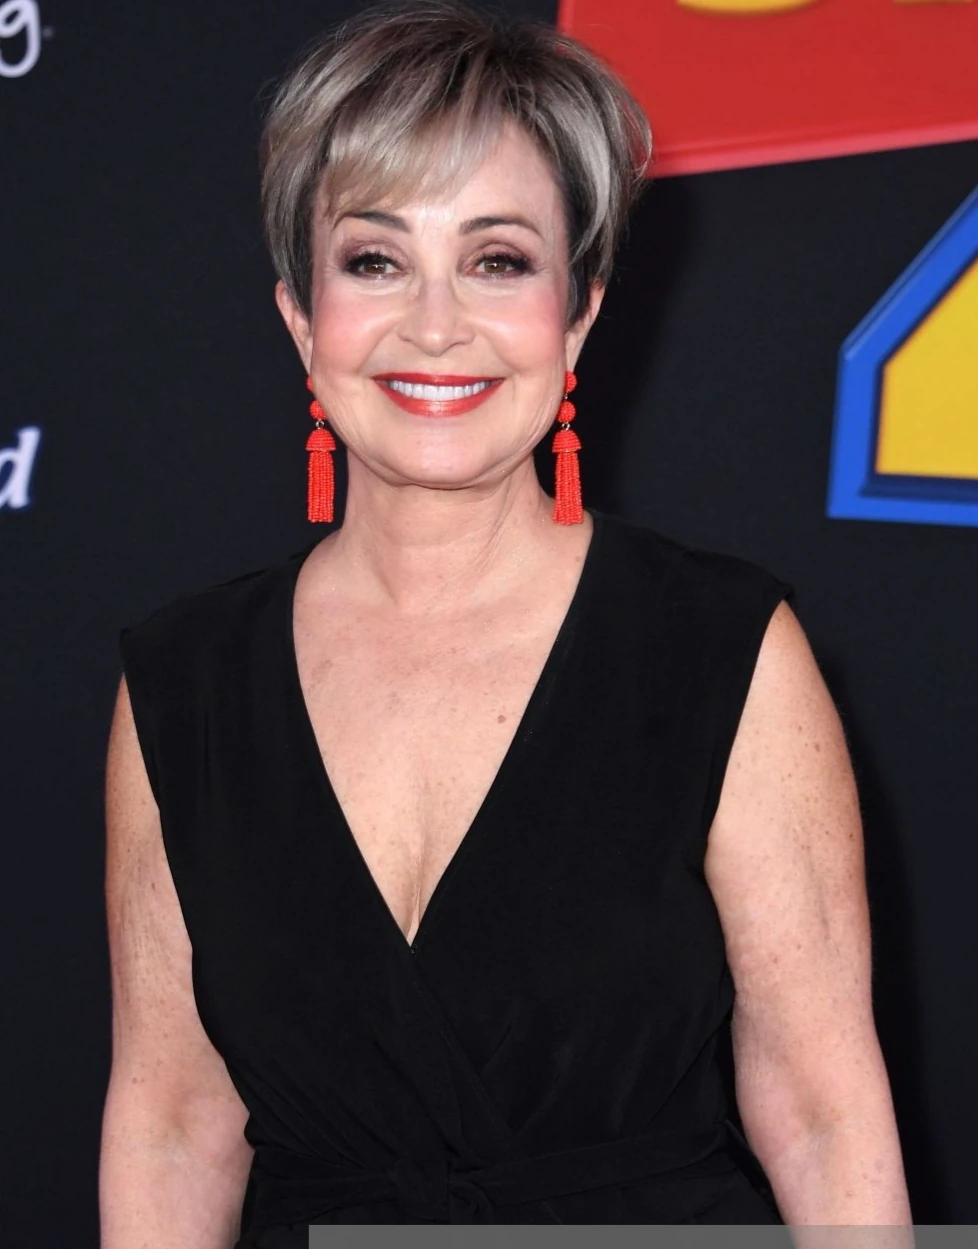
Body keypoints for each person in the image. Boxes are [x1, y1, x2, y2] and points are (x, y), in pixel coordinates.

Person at [98, 2, 913, 1245]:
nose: (436, 325)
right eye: (376, 261)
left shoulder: (722, 649)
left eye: (498, 260)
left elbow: (821, 1113)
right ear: (301, 317)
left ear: (577, 314)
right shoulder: (185, 686)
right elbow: (171, 1123)